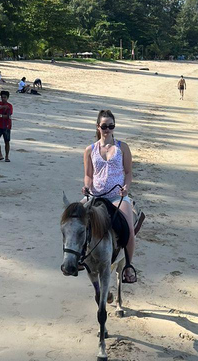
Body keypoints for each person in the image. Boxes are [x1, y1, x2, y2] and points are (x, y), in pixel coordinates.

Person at [82, 110, 137, 283]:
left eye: (111, 126)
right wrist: (86, 186)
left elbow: (128, 172)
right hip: (96, 195)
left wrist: (126, 187)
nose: (107, 129)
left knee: (129, 229)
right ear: (98, 127)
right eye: (104, 126)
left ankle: (128, 266)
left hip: (116, 196)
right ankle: (75, 259)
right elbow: (89, 175)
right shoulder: (90, 150)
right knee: (74, 219)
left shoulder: (122, 147)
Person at [0, 90, 12, 162]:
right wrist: (2, 107)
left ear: (7, 98)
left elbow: (8, 116)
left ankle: (6, 156)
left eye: (5, 97)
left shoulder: (10, 106)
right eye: (2, 97)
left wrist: (0, 115)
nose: (3, 99)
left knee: (7, 141)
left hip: (6, 126)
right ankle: (0, 155)